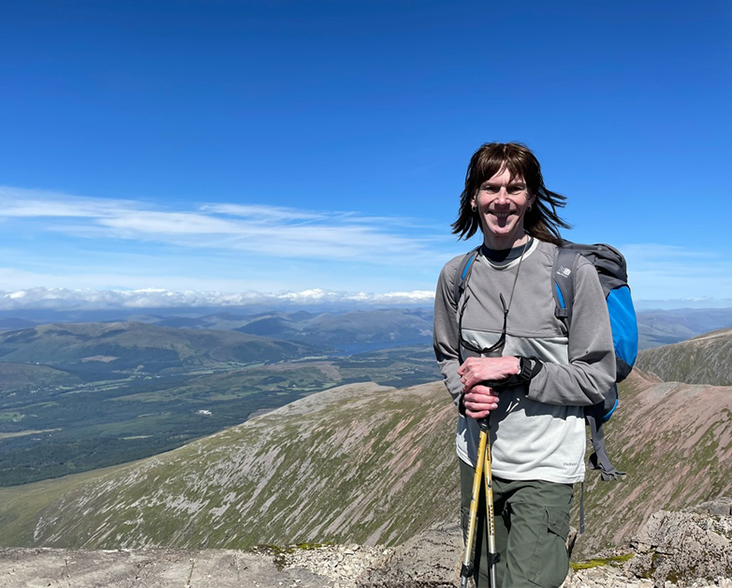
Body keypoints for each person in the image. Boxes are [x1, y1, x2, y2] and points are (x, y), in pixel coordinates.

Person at [433, 142, 616, 588]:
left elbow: (597, 380)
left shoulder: (569, 273)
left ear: (531, 197)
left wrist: (521, 368)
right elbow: (447, 357)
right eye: (491, 187)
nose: (502, 199)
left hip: (544, 464)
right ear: (473, 196)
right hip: (476, 459)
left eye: (515, 188)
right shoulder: (457, 275)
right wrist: (465, 396)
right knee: (480, 580)